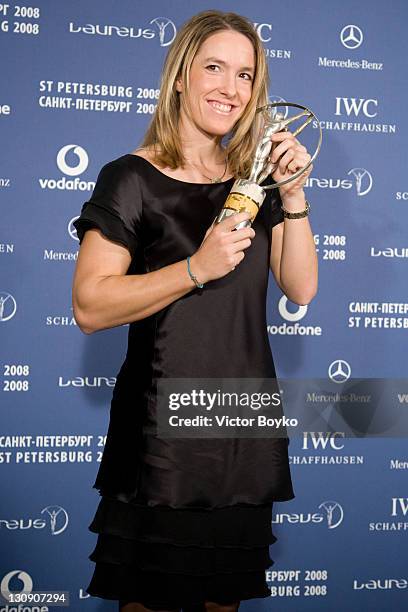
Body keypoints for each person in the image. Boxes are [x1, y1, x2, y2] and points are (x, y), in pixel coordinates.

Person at [72, 9, 318, 612]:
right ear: (181, 75)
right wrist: (193, 269)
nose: (229, 89)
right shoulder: (131, 178)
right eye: (214, 67)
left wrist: (292, 195)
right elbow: (89, 304)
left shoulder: (252, 182)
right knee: (148, 600)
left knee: (223, 602)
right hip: (163, 436)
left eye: (243, 75)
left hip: (242, 426)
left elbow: (301, 288)